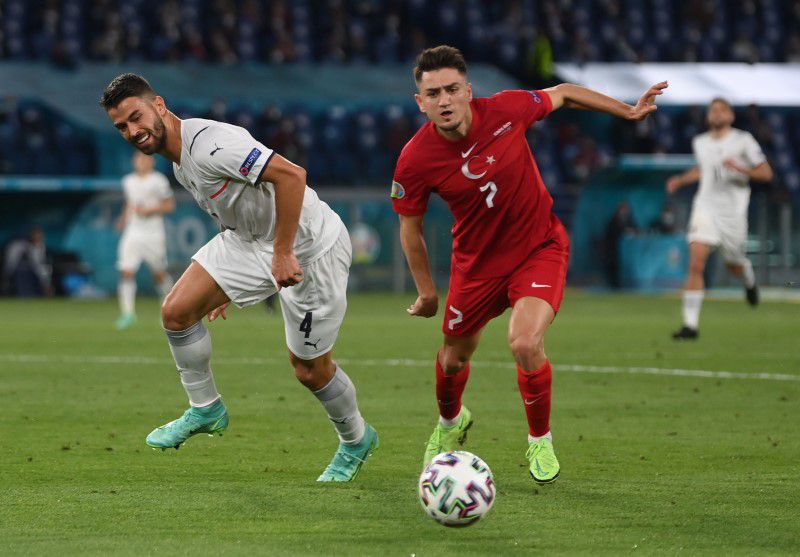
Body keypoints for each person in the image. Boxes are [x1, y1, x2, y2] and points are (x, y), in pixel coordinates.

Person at [392, 45, 666, 484]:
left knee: (523, 343)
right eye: (432, 93)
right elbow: (410, 228)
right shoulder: (414, 159)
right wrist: (426, 291)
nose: (443, 100)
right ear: (419, 101)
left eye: (451, 89)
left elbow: (564, 93)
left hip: (538, 249)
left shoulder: (506, 109)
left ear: (467, 90)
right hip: (477, 266)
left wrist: (628, 111)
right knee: (452, 360)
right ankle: (450, 424)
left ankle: (540, 439)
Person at [101, 73, 377, 482]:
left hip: (310, 246)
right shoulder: (180, 165)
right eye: (121, 126)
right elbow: (238, 214)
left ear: (159, 105)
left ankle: (356, 439)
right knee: (177, 312)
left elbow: (291, 176)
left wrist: (282, 253)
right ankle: (206, 409)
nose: (132, 131)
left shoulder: (211, 146)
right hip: (250, 241)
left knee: (309, 370)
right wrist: (229, 284)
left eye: (136, 117)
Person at [666, 98, 773, 340]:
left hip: (732, 214)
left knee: (733, 263)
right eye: (713, 110)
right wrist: (681, 180)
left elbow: (766, 172)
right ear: (707, 117)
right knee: (696, 262)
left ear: (731, 116)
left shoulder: (743, 140)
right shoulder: (700, 142)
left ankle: (747, 276)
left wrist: (742, 169)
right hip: (705, 208)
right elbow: (703, 169)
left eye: (722, 109)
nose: (717, 113)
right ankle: (690, 326)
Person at [115, 151, 175, 330]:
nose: (141, 162)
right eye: (138, 159)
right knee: (126, 270)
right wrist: (123, 220)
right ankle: (127, 314)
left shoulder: (159, 180)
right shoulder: (128, 181)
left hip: (153, 234)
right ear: (134, 161)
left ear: (152, 161)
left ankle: (169, 309)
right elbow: (129, 203)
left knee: (159, 274)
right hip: (133, 232)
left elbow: (169, 205)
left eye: (145, 159)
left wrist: (150, 211)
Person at [2, 227, 53, 297]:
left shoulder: (40, 246)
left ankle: (45, 290)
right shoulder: (18, 244)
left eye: (40, 236)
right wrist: (6, 276)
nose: (38, 238)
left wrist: (46, 283)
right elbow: (10, 263)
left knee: (45, 270)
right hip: (19, 271)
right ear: (31, 235)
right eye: (36, 235)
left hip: (35, 272)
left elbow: (40, 265)